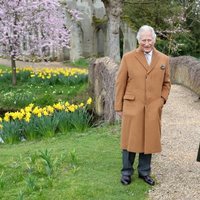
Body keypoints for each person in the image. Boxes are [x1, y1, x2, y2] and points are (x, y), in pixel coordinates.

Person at [114, 25, 171, 186]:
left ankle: (144, 172)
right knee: (130, 140)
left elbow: (167, 83)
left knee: (149, 140)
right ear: (139, 40)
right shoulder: (128, 57)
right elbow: (120, 83)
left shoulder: (163, 59)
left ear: (154, 39)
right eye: (144, 40)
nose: (147, 43)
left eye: (149, 40)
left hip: (153, 107)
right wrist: (119, 106)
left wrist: (161, 100)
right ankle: (126, 172)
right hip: (132, 105)